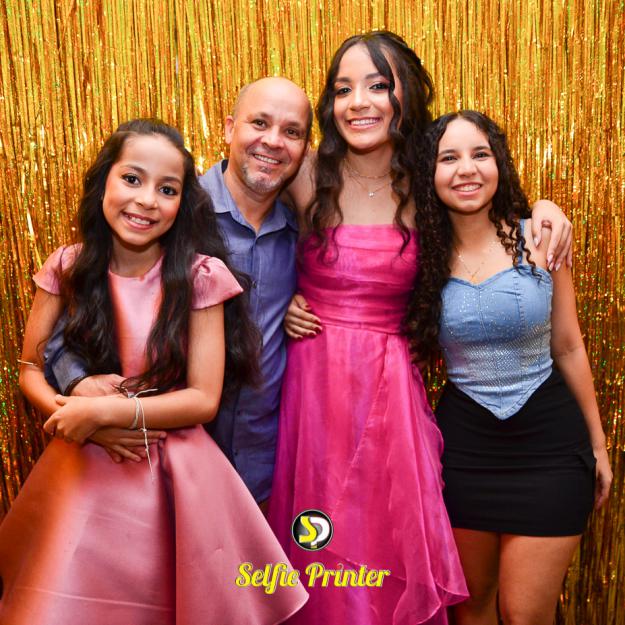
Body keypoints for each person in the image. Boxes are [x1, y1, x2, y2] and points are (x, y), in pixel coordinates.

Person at [273, 32, 574, 625]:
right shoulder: (305, 173)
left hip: (392, 398)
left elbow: (489, 225)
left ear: (405, 94)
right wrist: (275, 302)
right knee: (318, 546)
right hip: (313, 392)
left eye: (377, 85)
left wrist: (545, 209)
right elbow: (233, 222)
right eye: (343, 89)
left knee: (386, 545)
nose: (359, 102)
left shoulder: (427, 180)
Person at [0, 119, 308, 624]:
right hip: (81, 474)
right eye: (132, 179)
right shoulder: (66, 266)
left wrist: (105, 413)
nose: (146, 201)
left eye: (167, 190)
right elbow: (30, 366)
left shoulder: (201, 276)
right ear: (103, 180)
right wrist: (79, 417)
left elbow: (202, 400)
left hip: (176, 475)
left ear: (182, 204)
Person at [42, 78, 312, 505]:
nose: (273, 141)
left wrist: (307, 303)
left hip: (266, 472)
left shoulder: (304, 232)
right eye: (259, 123)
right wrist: (83, 390)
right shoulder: (169, 210)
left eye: (292, 131)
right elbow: (70, 322)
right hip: (154, 467)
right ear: (229, 128)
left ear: (305, 148)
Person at [413, 110, 612, 625]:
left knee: (524, 614)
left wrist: (598, 445)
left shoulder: (542, 237)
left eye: (480, 154)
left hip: (551, 447)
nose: (466, 168)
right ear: (429, 174)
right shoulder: (418, 256)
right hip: (464, 453)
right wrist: (301, 302)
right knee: (471, 609)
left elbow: (568, 346)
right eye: (449, 158)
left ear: (499, 163)